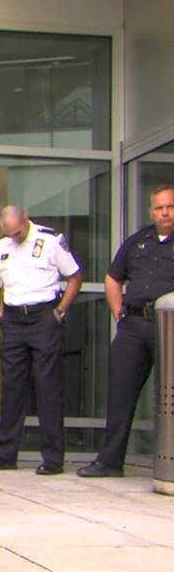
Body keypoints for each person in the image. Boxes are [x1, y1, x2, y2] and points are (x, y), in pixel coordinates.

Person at [78, 184, 174, 478]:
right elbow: (112, 278)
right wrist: (119, 314)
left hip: (169, 327)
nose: (165, 213)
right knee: (120, 393)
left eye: (170, 207)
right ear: (151, 211)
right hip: (133, 326)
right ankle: (110, 461)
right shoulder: (137, 241)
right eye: (159, 208)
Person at [0, 205, 83, 476]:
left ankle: (53, 458)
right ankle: (6, 454)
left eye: (18, 232)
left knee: (48, 388)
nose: (16, 238)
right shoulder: (2, 246)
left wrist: (59, 312)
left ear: (26, 219)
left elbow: (75, 277)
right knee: (12, 388)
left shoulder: (50, 240)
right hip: (13, 319)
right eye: (10, 234)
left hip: (43, 316)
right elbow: (7, 283)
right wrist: (1, 311)